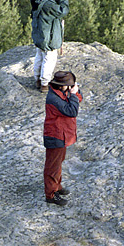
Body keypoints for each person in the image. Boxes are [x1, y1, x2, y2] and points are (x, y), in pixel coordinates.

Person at [43, 70, 82, 206]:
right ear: (61, 85)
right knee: (52, 167)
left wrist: (75, 92)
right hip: (55, 136)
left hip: (62, 136)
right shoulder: (53, 99)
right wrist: (73, 95)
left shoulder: (61, 92)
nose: (70, 87)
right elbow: (72, 111)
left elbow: (78, 99)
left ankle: (57, 187)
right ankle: (51, 195)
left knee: (58, 163)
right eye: (69, 85)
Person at [31, 0, 69, 92]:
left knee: (39, 57)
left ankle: (37, 79)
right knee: (49, 60)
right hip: (48, 38)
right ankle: (44, 84)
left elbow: (48, 6)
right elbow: (62, 11)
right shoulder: (48, 5)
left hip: (40, 36)